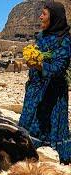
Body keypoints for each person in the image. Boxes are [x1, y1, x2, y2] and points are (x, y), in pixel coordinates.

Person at [19, 1, 71, 164]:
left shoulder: (65, 40)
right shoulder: (41, 36)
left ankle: (51, 163)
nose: (40, 16)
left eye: (44, 14)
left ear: (54, 17)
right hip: (35, 91)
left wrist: (40, 64)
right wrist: (30, 61)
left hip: (52, 94)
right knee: (28, 125)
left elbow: (59, 68)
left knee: (49, 129)